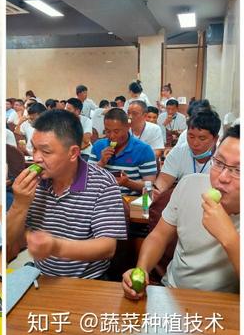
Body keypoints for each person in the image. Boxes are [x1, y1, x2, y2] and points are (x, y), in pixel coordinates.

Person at [122, 125, 239, 297]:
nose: (222, 177)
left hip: (223, 304)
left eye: (238, 170)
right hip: (172, 292)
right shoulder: (189, 184)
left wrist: (229, 237)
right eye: (219, 163)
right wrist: (141, 269)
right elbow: (159, 236)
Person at [7, 110, 127, 277]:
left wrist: (56, 247)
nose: (36, 158)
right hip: (42, 277)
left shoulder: (102, 183)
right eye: (34, 149)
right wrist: (20, 204)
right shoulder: (34, 183)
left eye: (46, 152)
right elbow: (7, 246)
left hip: (88, 282)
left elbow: (107, 247)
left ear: (73, 153)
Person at [90, 107, 157, 195]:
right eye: (107, 131)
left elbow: (149, 186)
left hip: (131, 201)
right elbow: (87, 179)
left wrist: (127, 183)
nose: (112, 136)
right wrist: (101, 162)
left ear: (128, 127)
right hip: (102, 199)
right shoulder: (98, 146)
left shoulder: (144, 149)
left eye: (116, 131)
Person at [154, 111, 221, 194]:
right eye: (191, 136)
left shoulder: (224, 158)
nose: (195, 143)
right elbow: (163, 180)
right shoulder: (178, 152)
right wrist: (156, 192)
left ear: (215, 139)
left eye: (202, 138)